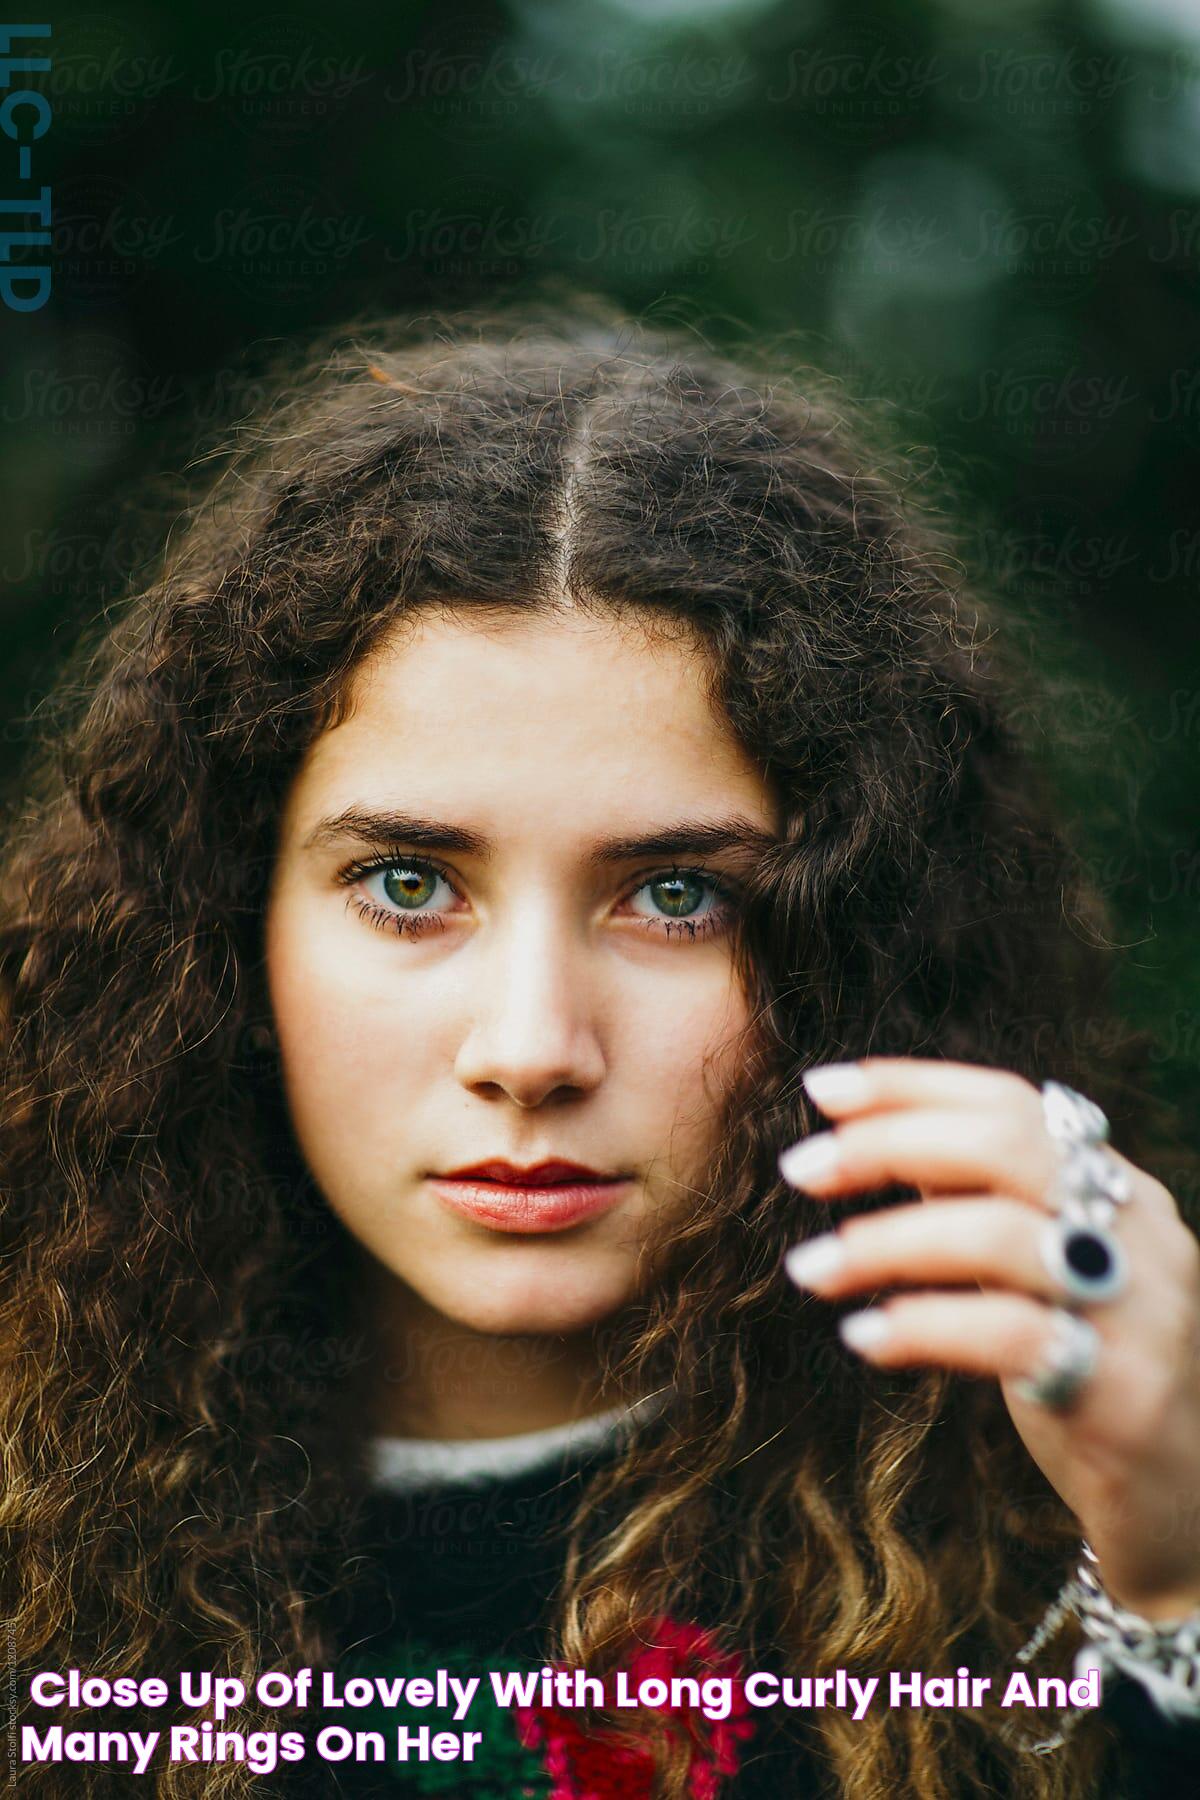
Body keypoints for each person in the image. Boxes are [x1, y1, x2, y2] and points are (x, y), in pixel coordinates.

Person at [1, 292, 1198, 1800]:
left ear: (857, 941)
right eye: (409, 886)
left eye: (679, 896)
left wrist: (1171, 1580)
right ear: (219, 923)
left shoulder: (1050, 1518)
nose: (531, 1048)